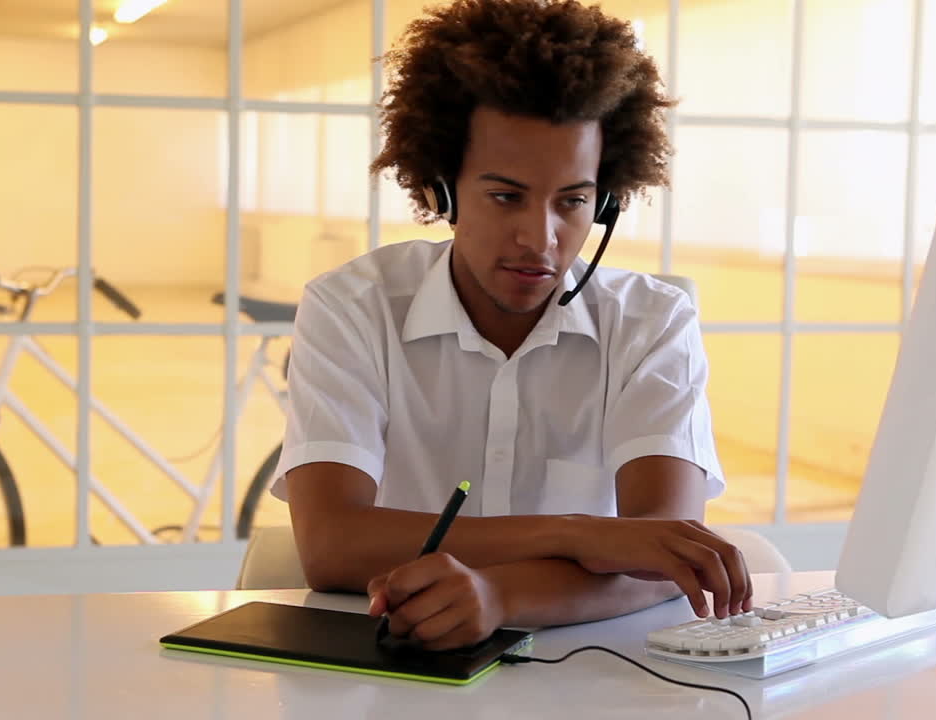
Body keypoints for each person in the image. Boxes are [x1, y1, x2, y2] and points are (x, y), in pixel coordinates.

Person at [272, 0, 752, 651]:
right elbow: (331, 545)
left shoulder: (651, 321)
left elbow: (670, 553)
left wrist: (503, 596)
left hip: (594, 673)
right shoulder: (351, 307)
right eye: (505, 196)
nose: (541, 238)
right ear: (441, 189)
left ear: (605, 200)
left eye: (573, 201)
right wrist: (580, 534)